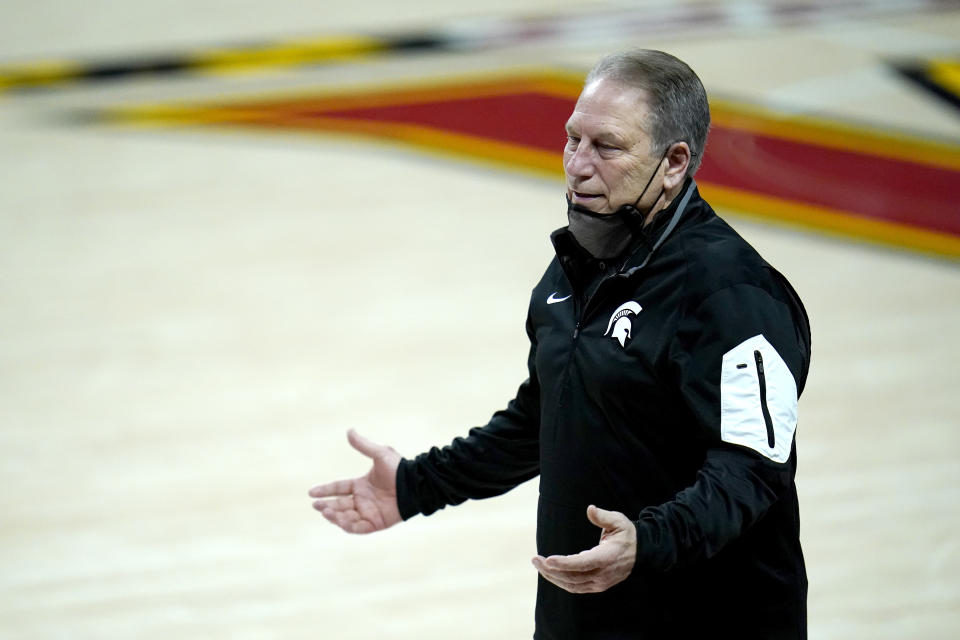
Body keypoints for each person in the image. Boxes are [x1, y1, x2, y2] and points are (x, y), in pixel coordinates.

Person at [309, 49, 811, 639]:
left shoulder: (733, 295)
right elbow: (544, 417)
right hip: (584, 614)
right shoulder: (575, 269)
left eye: (607, 146)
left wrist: (648, 541)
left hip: (712, 619)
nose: (577, 165)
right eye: (572, 139)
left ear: (674, 163)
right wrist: (415, 485)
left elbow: (752, 470)